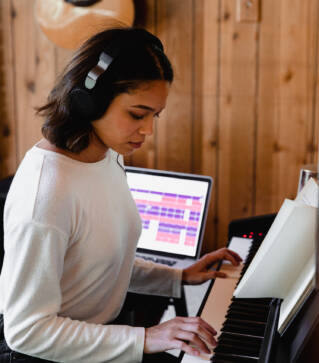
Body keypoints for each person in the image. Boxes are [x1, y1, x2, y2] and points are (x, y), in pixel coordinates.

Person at [0, 27, 242, 362]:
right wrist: (145, 337)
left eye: (154, 116)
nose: (148, 130)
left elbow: (99, 260)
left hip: (95, 339)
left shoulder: (106, 155)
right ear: (89, 99)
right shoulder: (46, 195)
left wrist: (178, 276)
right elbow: (26, 331)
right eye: (137, 114)